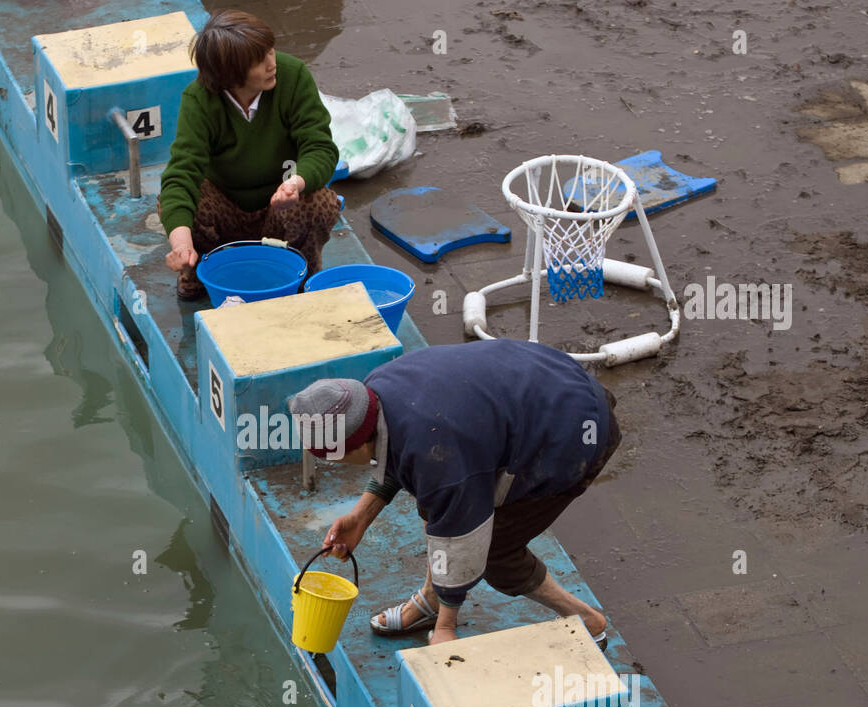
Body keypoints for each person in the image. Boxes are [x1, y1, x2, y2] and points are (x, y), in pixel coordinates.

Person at [287, 339, 622, 647]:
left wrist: (446, 630)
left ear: (356, 442)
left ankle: (587, 621)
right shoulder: (375, 392)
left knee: (494, 550)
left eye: (334, 456)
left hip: (575, 430)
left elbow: (460, 537)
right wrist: (360, 516)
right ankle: (431, 601)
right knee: (437, 499)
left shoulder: (434, 451)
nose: (337, 464)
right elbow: (393, 456)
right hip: (548, 382)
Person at [157, 10, 341, 301]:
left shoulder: (292, 77)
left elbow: (319, 146)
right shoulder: (199, 100)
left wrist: (296, 182)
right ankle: (196, 268)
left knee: (320, 202)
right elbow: (181, 175)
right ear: (230, 74)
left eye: (271, 51)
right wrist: (180, 243)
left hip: (278, 207)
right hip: (227, 211)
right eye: (260, 60)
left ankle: (303, 275)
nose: (272, 64)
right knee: (187, 203)